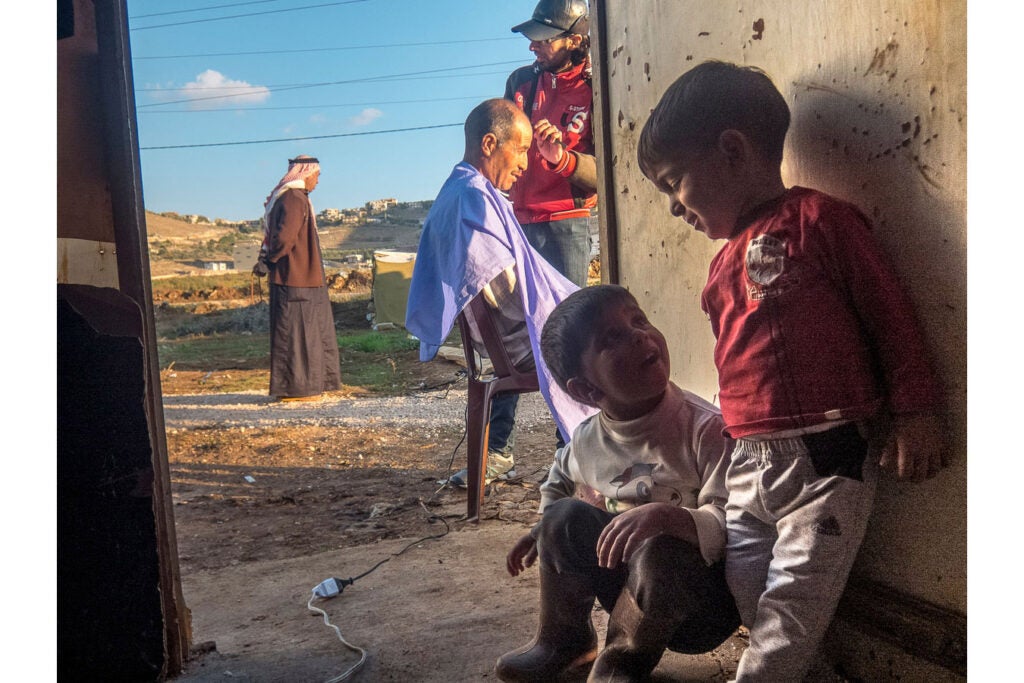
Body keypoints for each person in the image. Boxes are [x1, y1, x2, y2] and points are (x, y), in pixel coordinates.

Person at [636, 60, 949, 681]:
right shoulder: (720, 267)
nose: (673, 208)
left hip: (825, 462)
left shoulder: (822, 222)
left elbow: (890, 317)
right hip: (751, 464)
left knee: (789, 614)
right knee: (752, 586)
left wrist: (916, 410)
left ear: (731, 150)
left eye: (675, 183)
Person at [495, 284, 739, 682]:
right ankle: (565, 643)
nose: (640, 334)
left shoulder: (706, 430)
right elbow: (558, 483)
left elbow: (736, 521)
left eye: (638, 320)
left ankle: (619, 667)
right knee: (563, 515)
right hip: (627, 589)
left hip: (700, 605)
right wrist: (542, 530)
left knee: (660, 551)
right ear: (587, 390)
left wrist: (672, 520)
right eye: (613, 337)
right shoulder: (588, 438)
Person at [405, 98, 597, 487]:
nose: (526, 164)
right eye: (521, 150)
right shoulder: (473, 198)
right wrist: (562, 310)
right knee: (606, 343)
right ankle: (590, 463)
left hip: (504, 340)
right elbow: (505, 292)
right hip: (516, 343)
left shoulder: (459, 191)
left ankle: (583, 458)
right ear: (490, 145)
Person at [506, 0, 598, 289]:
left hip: (566, 224)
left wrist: (561, 159)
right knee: (526, 324)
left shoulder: (597, 87)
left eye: (543, 40)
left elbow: (609, 174)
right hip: (519, 221)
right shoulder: (520, 82)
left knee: (566, 318)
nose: (532, 47)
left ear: (573, 40)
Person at [253, 155, 341, 402]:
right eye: (317, 175)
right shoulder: (293, 199)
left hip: (301, 278)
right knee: (297, 335)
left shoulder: (296, 199)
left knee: (307, 334)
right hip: (294, 278)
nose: (318, 180)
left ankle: (309, 387)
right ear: (305, 173)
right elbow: (284, 238)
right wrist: (268, 261)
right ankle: (299, 389)